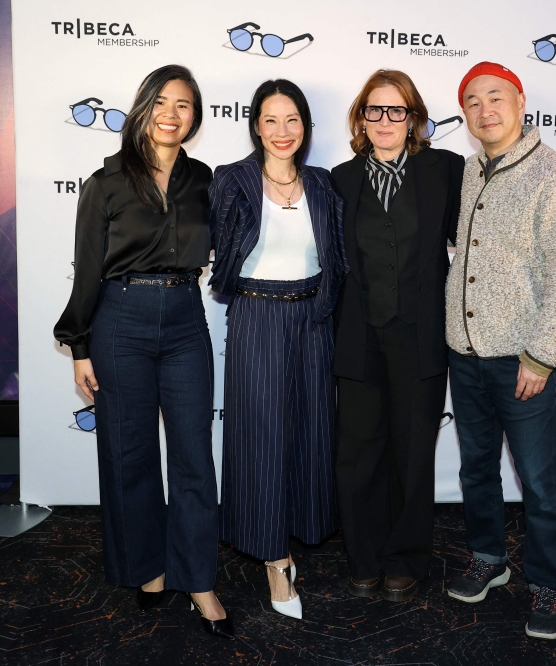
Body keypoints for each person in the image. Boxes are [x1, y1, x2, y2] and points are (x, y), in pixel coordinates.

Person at [53, 64, 233, 639]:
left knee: (192, 459)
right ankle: (149, 569)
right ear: (141, 110)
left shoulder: (207, 181)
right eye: (161, 102)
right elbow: (86, 271)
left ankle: (199, 578)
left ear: (195, 117)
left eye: (183, 105)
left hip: (184, 320)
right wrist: (79, 345)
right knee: (129, 457)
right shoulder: (105, 183)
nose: (171, 115)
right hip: (118, 322)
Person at [444, 62, 556, 640]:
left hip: (522, 359)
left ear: (521, 102)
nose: (485, 111)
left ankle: (549, 587)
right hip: (465, 351)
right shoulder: (468, 171)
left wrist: (542, 355)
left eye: (496, 97)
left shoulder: (554, 174)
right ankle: (489, 558)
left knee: (538, 480)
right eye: (473, 102)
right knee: (476, 468)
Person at [210, 79, 347, 620]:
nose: (283, 131)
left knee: (311, 433)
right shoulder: (232, 180)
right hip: (257, 315)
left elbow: (334, 254)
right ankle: (273, 559)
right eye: (271, 120)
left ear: (306, 126)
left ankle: (297, 529)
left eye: (293, 120)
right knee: (262, 440)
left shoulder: (321, 183)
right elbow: (217, 250)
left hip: (314, 317)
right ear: (255, 126)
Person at [331, 70, 464, 603]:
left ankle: (405, 558)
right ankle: (363, 557)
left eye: (397, 111)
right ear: (361, 118)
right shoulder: (338, 180)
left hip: (421, 336)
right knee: (358, 453)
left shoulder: (447, 170)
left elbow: (478, 241)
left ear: (414, 119)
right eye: (375, 111)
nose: (385, 121)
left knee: (412, 454)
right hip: (357, 335)